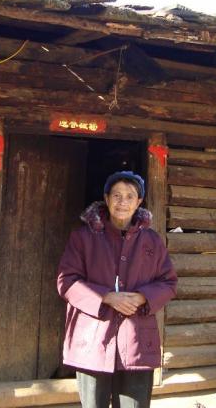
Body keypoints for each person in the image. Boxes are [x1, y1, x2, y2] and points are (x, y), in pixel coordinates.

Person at [57, 171, 177, 408]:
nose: (122, 202)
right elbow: (66, 281)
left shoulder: (152, 241)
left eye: (130, 196)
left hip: (137, 344)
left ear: (139, 201)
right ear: (106, 198)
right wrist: (107, 297)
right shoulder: (83, 238)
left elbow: (168, 282)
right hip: (93, 341)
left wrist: (144, 297)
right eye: (117, 195)